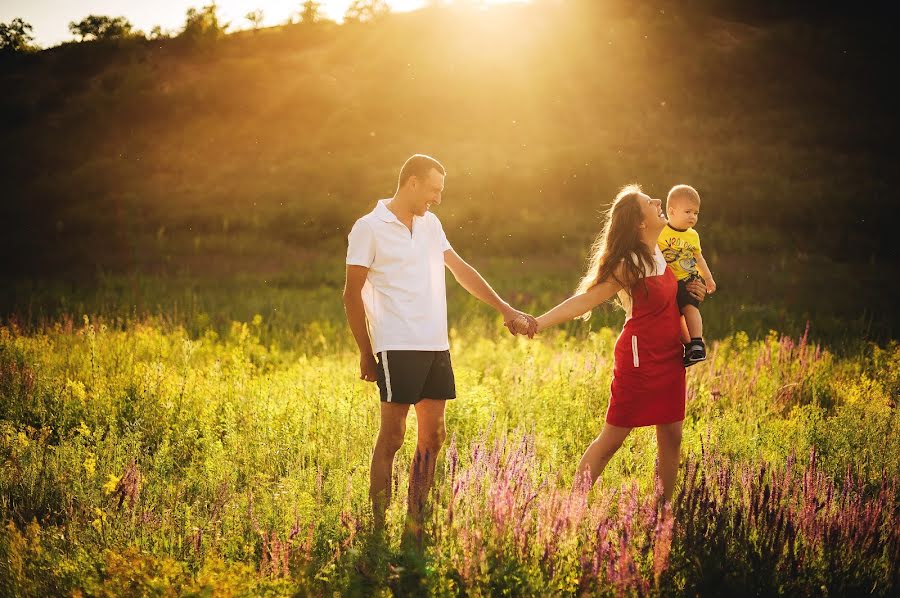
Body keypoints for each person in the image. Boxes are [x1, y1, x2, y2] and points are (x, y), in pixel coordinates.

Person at [343, 154, 537, 532]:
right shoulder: (369, 228)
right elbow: (351, 294)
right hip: (396, 344)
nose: (438, 198)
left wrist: (505, 308)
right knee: (394, 436)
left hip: (435, 344)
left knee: (433, 436)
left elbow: (461, 269)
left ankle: (416, 523)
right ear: (412, 182)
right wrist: (366, 352)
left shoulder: (431, 225)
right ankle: (378, 528)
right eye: (434, 189)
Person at [509, 184, 704, 503]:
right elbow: (586, 300)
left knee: (672, 436)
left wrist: (692, 295)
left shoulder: (662, 253)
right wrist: (538, 322)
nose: (658, 201)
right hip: (639, 360)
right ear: (639, 222)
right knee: (613, 439)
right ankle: (571, 509)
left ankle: (663, 515)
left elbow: (675, 302)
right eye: (649, 202)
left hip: (669, 357)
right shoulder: (629, 263)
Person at [657, 184, 717, 365]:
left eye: (696, 213)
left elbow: (699, 258)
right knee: (677, 316)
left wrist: (707, 278)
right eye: (688, 211)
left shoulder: (693, 236)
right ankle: (688, 347)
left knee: (690, 308)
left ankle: (697, 343)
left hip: (689, 279)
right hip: (669, 282)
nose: (693, 216)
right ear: (672, 211)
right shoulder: (661, 230)